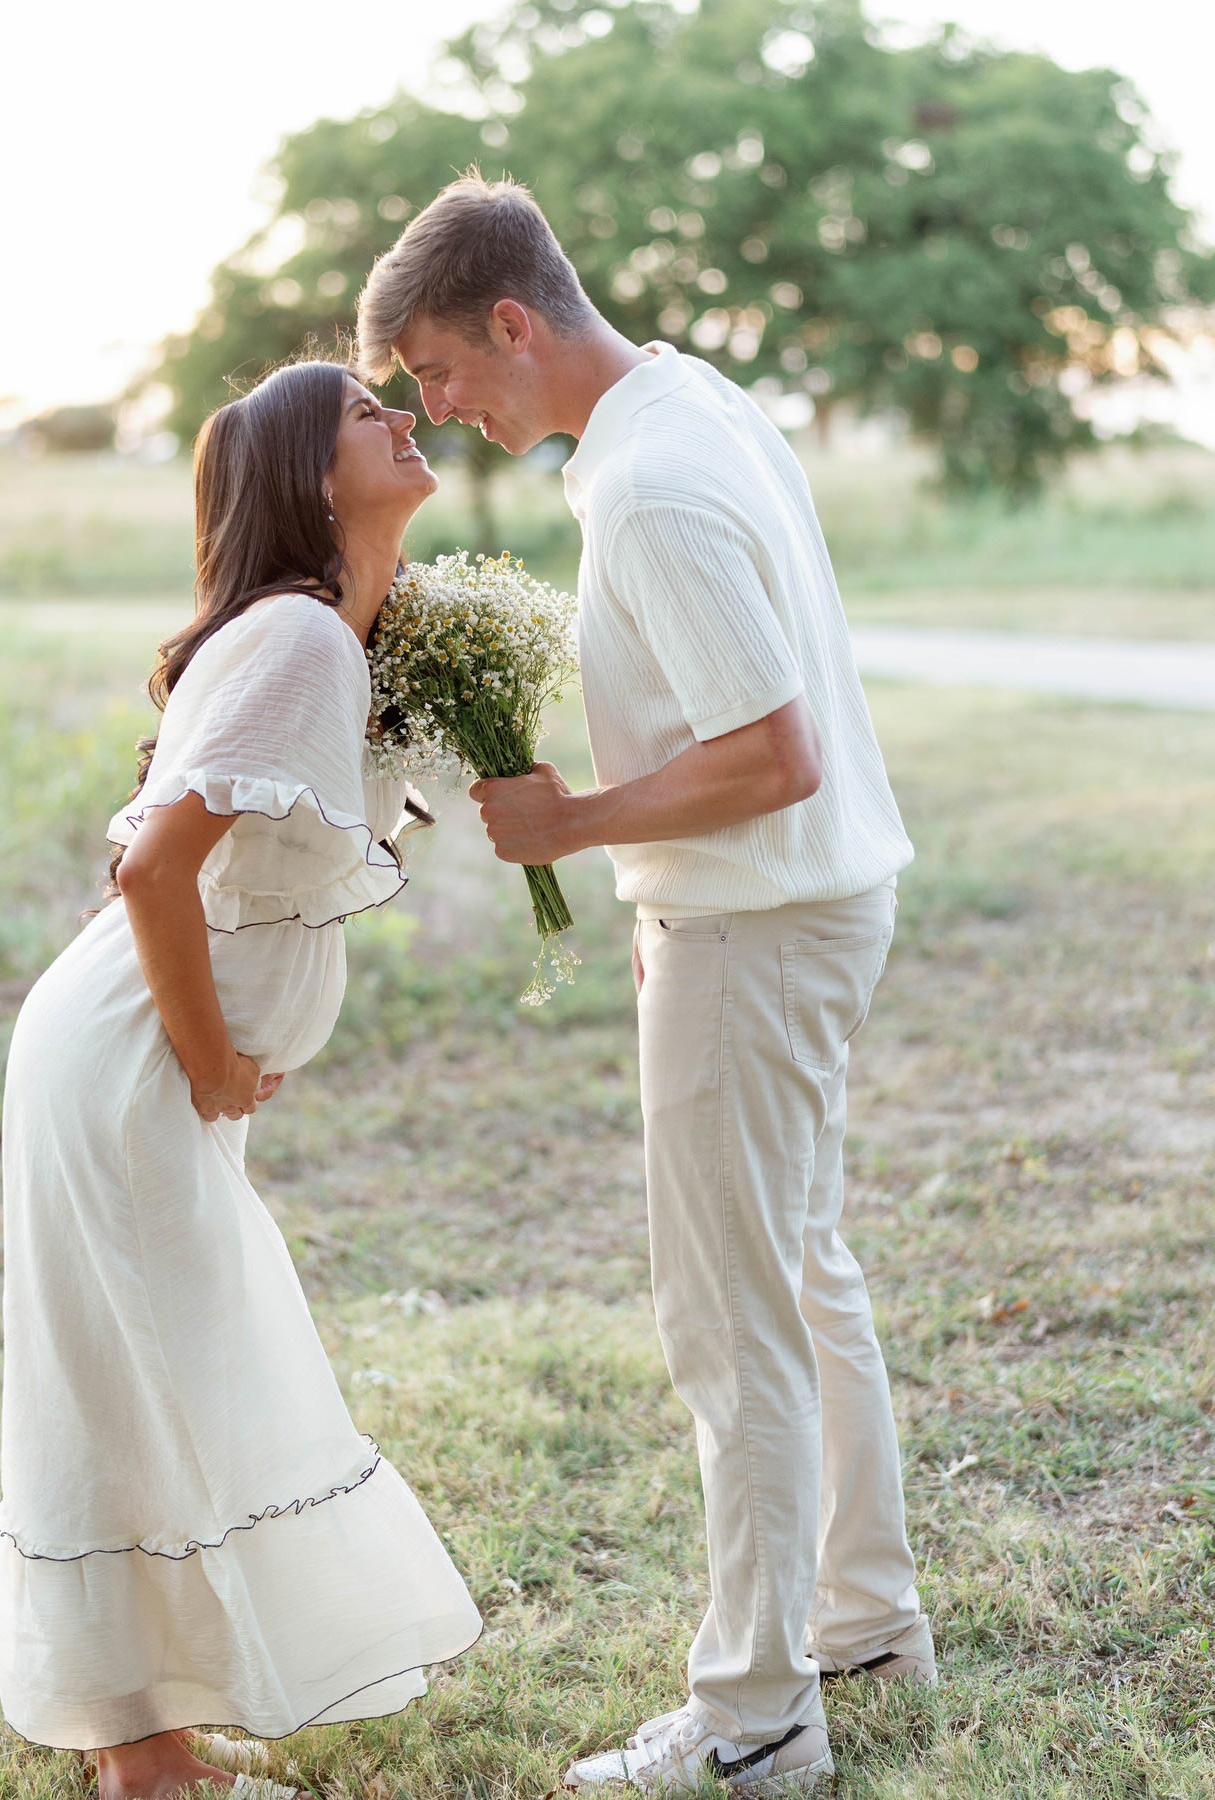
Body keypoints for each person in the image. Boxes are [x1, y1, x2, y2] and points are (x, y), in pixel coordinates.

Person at [356, 172, 935, 1795]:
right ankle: (867, 1621)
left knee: (728, 1323)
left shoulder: (652, 489)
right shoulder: (697, 403)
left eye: (439, 374)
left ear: (514, 323)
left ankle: (753, 1721)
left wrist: (577, 821)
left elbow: (774, 756)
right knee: (802, 1273)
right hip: (806, 916)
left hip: (755, 929)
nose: (439, 414)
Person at [0, 358, 482, 1800]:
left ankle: (149, 1743)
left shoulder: (336, 636)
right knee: (158, 1379)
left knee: (149, 1376)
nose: (407, 421)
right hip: (139, 1055)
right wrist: (210, 1060)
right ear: (311, 477)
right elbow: (152, 866)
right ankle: (145, 1763)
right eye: (367, 416)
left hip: (131, 1053)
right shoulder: (304, 641)